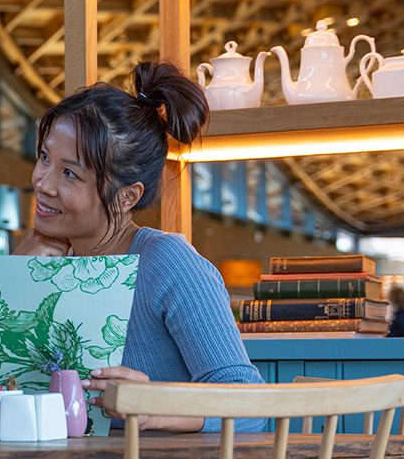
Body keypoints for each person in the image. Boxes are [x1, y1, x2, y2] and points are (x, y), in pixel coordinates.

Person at [15, 62, 267, 434]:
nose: (43, 182)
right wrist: (15, 279)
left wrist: (152, 407)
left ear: (126, 196)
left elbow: (251, 406)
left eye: (70, 173)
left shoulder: (166, 262)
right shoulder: (38, 257)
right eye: (44, 157)